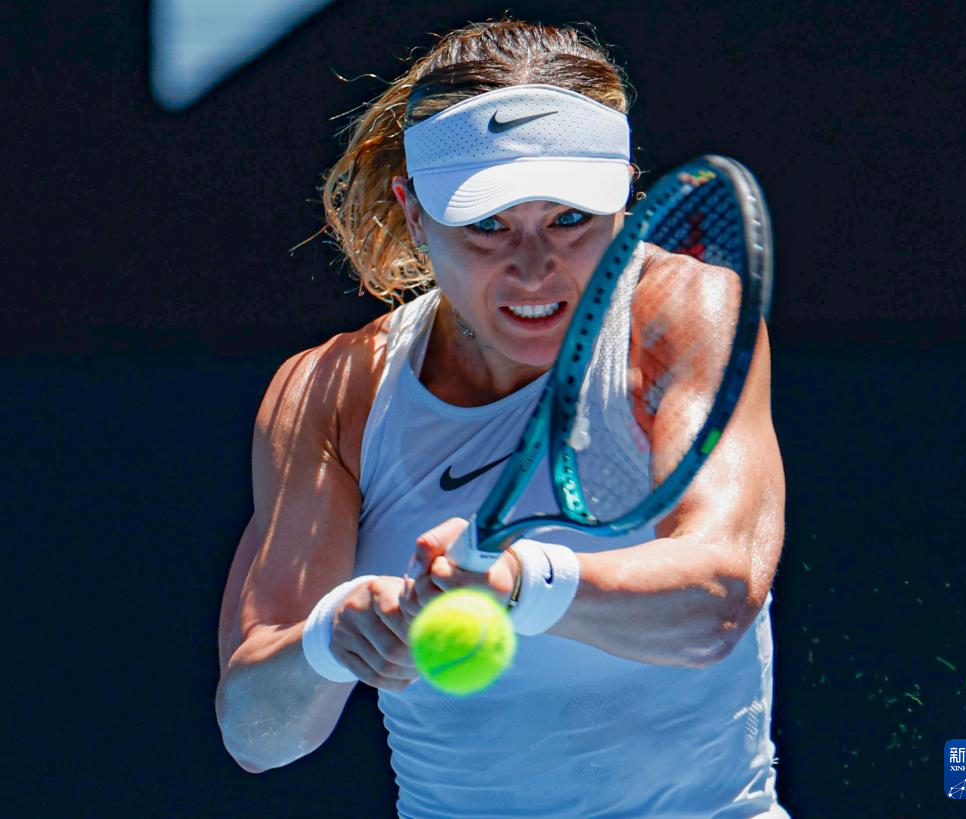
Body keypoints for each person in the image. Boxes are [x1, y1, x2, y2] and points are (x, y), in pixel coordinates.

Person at [216, 19, 788, 818]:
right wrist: (332, 637)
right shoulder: (332, 392)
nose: (534, 268)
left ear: (624, 196)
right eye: (488, 225)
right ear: (415, 215)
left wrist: (523, 583)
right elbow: (256, 734)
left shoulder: (683, 316)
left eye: (570, 219)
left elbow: (719, 598)